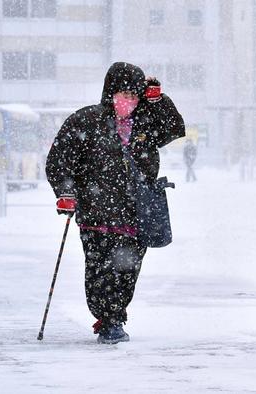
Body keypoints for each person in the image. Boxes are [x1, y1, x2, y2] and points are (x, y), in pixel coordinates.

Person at [46, 62, 185, 344]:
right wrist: (66, 192)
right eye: (124, 95)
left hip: (136, 211)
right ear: (110, 92)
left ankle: (115, 315)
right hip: (96, 212)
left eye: (135, 96)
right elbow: (59, 160)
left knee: (127, 270)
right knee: (99, 269)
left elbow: (175, 129)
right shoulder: (86, 121)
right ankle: (109, 318)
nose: (129, 102)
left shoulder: (147, 120)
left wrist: (158, 100)